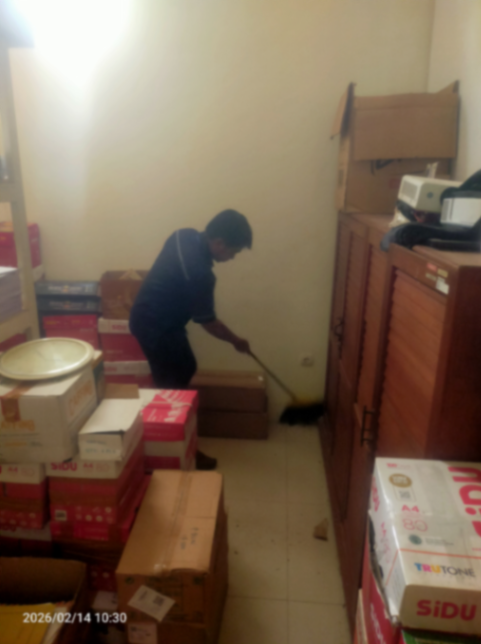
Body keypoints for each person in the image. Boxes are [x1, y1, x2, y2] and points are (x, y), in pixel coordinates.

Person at [129, 209, 253, 470]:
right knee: (172, 386)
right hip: (155, 327)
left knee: (186, 367)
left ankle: (172, 435)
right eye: (234, 251)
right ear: (219, 243)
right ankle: (174, 447)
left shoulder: (182, 235)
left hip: (158, 320)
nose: (232, 257)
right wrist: (236, 341)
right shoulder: (201, 274)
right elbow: (208, 323)